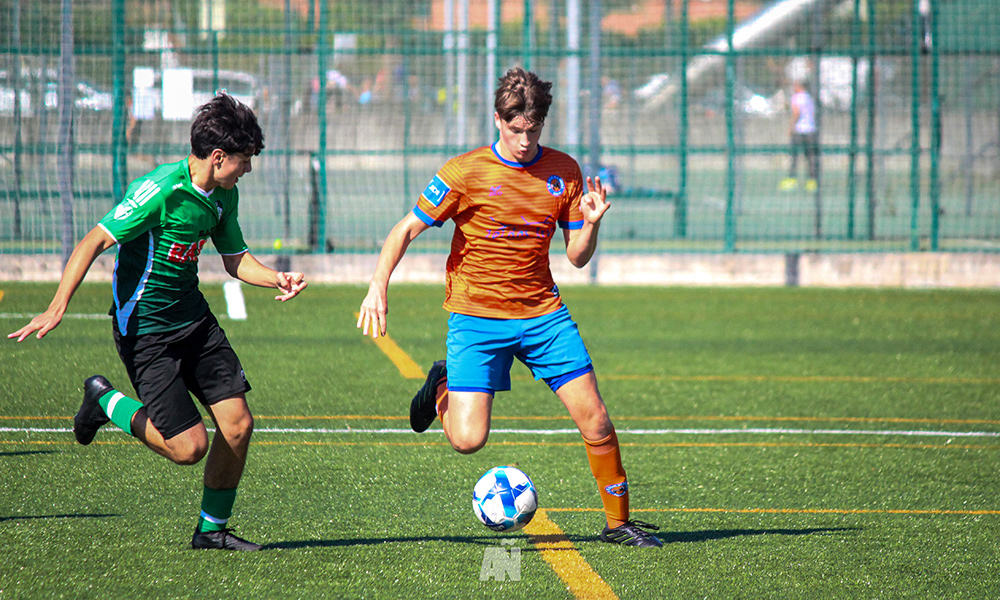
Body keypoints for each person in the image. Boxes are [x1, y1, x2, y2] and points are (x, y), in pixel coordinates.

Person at [357, 67, 662, 548]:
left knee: (596, 419)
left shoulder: (564, 171)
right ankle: (442, 383)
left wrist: (593, 224)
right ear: (498, 120)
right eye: (516, 129)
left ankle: (619, 523)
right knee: (466, 441)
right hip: (477, 319)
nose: (524, 141)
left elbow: (576, 257)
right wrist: (378, 286)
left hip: (543, 316)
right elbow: (404, 230)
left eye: (534, 130)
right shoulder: (464, 172)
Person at [8, 94, 307, 551]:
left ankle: (211, 531)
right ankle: (104, 401)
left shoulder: (224, 195)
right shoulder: (160, 190)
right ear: (218, 156)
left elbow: (235, 259)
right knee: (188, 449)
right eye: (244, 161)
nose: (248, 169)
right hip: (146, 332)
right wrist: (56, 306)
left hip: (195, 322)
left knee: (238, 425)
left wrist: (275, 278)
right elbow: (94, 240)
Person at [780, 78, 819, 192]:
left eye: (795, 85)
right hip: (811, 130)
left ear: (799, 86)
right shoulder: (809, 97)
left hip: (800, 131)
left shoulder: (797, 97)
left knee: (794, 156)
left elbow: (796, 113)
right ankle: (812, 182)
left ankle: (791, 180)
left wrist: (791, 127)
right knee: (811, 156)